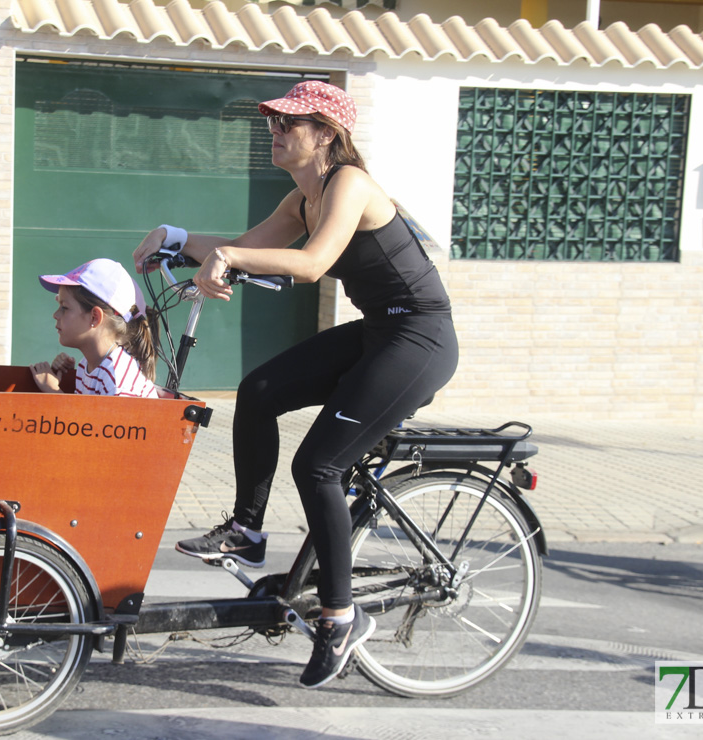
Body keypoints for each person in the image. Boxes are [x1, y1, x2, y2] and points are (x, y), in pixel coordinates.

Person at [132, 80, 458, 689]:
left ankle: (340, 616)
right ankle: (247, 531)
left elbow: (311, 265)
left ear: (327, 135)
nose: (275, 132)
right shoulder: (300, 198)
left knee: (318, 467)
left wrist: (228, 261)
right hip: (377, 333)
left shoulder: (350, 185)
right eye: (273, 123)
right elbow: (244, 247)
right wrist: (176, 240)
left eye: (289, 124)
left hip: (420, 339)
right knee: (257, 390)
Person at [30, 258, 160, 399]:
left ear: (94, 317)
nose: (55, 315)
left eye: (64, 308)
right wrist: (65, 375)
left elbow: (94, 422)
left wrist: (53, 391)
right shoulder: (86, 364)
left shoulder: (119, 381)